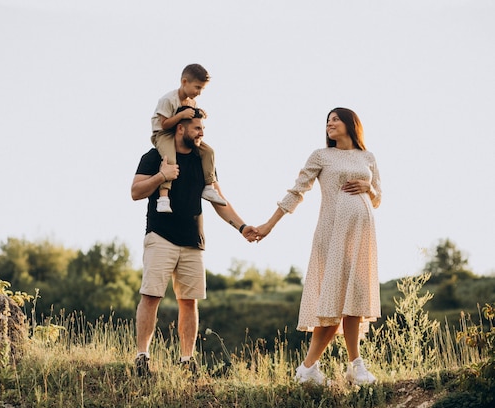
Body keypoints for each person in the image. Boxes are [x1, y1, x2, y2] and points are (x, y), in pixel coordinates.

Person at [255, 107, 382, 385]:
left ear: (351, 124)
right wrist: (268, 224)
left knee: (355, 298)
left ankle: (350, 366)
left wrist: (367, 187)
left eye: (336, 119)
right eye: (327, 120)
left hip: (362, 236)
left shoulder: (367, 157)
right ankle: (316, 368)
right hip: (332, 234)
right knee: (333, 304)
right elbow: (297, 191)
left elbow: (377, 199)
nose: (330, 123)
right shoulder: (321, 155)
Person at [131, 106, 256, 376]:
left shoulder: (203, 159)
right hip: (160, 236)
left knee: (189, 302)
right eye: (197, 128)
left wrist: (242, 227)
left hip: (193, 241)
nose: (201, 133)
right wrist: (162, 177)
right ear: (180, 128)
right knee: (151, 296)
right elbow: (135, 191)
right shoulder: (155, 156)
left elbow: (219, 201)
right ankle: (142, 358)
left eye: (202, 129)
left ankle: (186, 361)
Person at [150, 63, 227, 213]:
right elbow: (164, 124)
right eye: (197, 87)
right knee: (170, 159)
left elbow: (189, 121)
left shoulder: (192, 102)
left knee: (208, 152)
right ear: (184, 82)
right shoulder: (168, 100)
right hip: (163, 134)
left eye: (202, 89)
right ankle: (164, 197)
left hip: (181, 133)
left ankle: (209, 187)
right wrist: (180, 116)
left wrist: (199, 113)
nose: (199, 92)